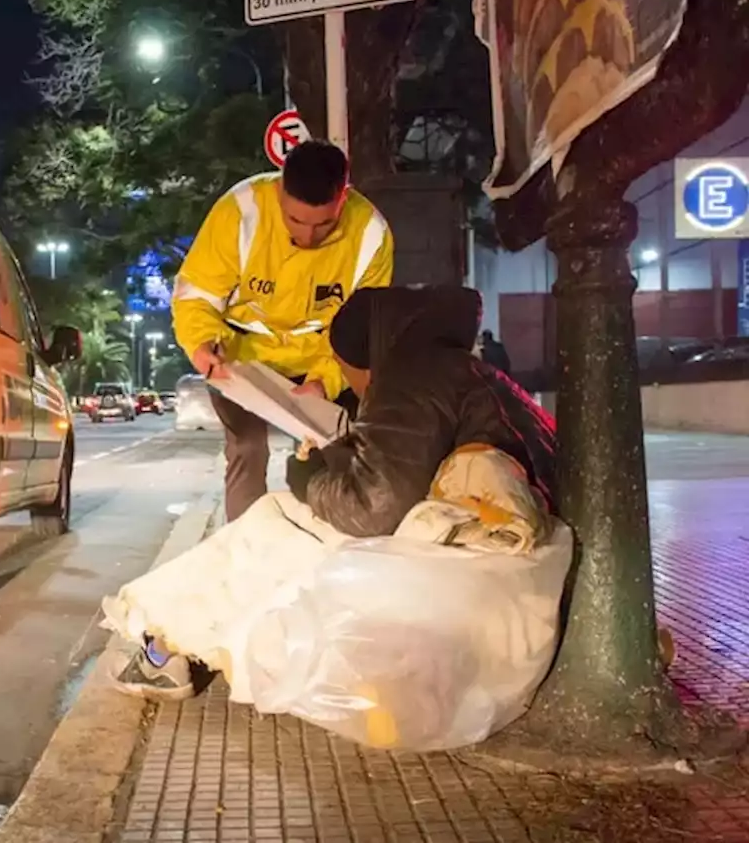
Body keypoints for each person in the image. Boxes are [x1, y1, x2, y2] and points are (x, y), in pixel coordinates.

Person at [112, 284, 557, 701]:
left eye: (348, 375)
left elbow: (372, 510)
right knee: (286, 527)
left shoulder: (411, 374)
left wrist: (310, 481)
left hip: (472, 568)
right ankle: (169, 643)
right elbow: (411, 467)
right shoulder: (458, 366)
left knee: (273, 523)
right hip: (498, 555)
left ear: (368, 360)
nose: (358, 389)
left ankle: (163, 646)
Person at [171, 141, 394, 523]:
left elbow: (365, 328)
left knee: (334, 450)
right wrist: (202, 345)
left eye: (324, 223)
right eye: (295, 221)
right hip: (240, 361)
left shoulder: (371, 234)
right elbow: (197, 295)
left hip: (320, 361)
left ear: (345, 198)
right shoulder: (241, 212)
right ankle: (246, 546)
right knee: (247, 447)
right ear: (279, 192)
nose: (308, 237)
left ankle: (325, 545)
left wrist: (325, 381)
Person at [285, 286, 556, 536]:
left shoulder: (408, 381)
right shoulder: (448, 365)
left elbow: (373, 509)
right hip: (548, 516)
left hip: (521, 536)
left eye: (340, 366)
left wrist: (311, 483)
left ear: (360, 364)